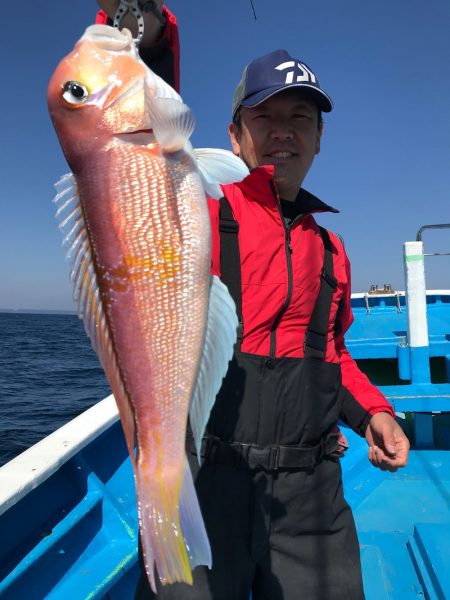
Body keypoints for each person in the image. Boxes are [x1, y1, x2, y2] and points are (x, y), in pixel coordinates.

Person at [96, 3, 410, 599]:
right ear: (234, 135)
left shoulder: (331, 249)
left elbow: (332, 354)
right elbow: (136, 145)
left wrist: (374, 412)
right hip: (207, 477)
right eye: (264, 117)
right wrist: (148, 36)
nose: (284, 130)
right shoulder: (196, 211)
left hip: (310, 496)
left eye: (300, 117)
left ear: (320, 137)